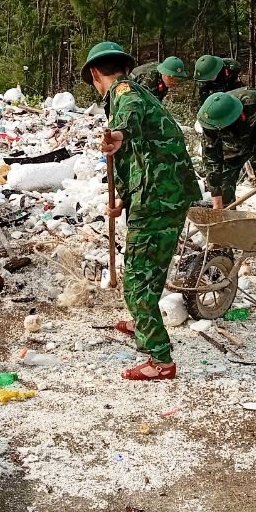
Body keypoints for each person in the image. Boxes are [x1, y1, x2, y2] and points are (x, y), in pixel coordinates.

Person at [85, 41, 201, 380]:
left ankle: (161, 360)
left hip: (157, 198)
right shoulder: (136, 91)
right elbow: (133, 154)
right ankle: (141, 322)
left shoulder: (125, 93)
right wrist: (122, 195)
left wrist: (118, 130)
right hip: (160, 194)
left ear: (95, 73)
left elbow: (127, 121)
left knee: (136, 278)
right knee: (149, 269)